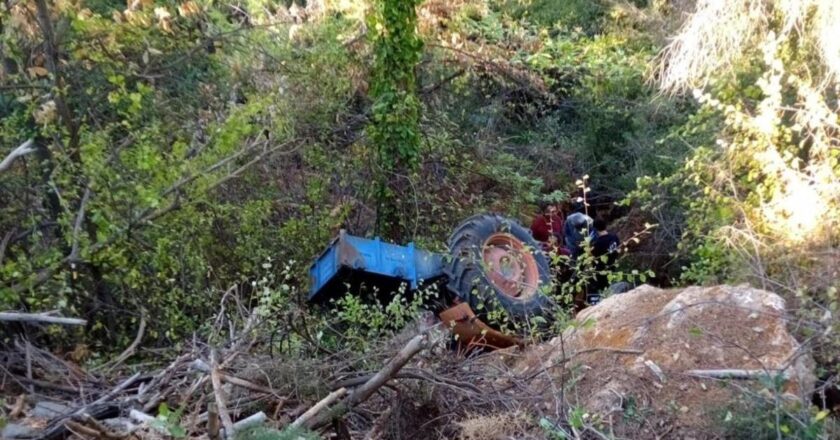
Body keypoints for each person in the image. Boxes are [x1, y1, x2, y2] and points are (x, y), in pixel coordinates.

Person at [590, 218, 620, 293]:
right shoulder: (614, 237)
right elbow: (618, 250)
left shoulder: (597, 243)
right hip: (613, 265)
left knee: (603, 290)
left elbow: (593, 258)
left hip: (602, 271)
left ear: (595, 229)